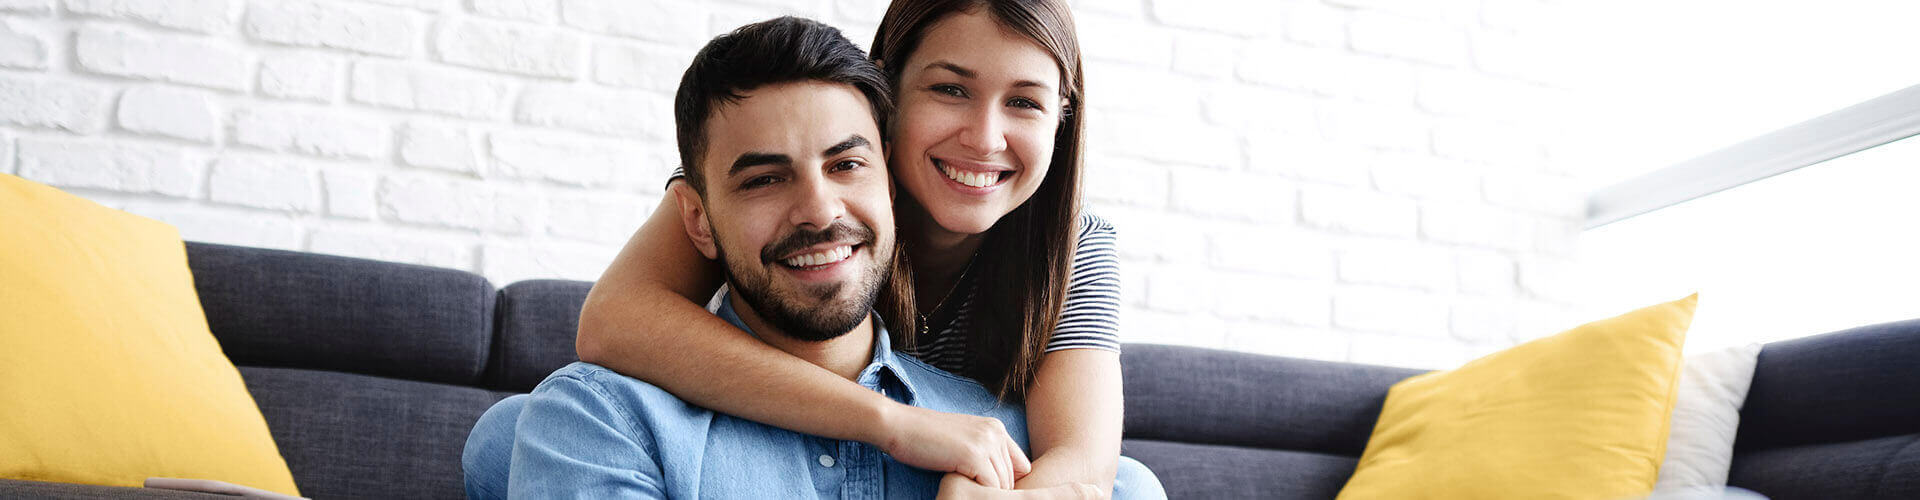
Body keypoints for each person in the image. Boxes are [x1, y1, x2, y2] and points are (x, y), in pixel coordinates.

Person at [463, 16, 1127, 498]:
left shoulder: (1074, 245)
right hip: (803, 421)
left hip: (957, 457)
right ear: (890, 102)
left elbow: (1084, 462)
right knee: (514, 430)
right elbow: (614, 322)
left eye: (1025, 102)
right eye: (950, 89)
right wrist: (893, 425)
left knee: (1131, 484)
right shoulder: (761, 153)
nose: (983, 137)